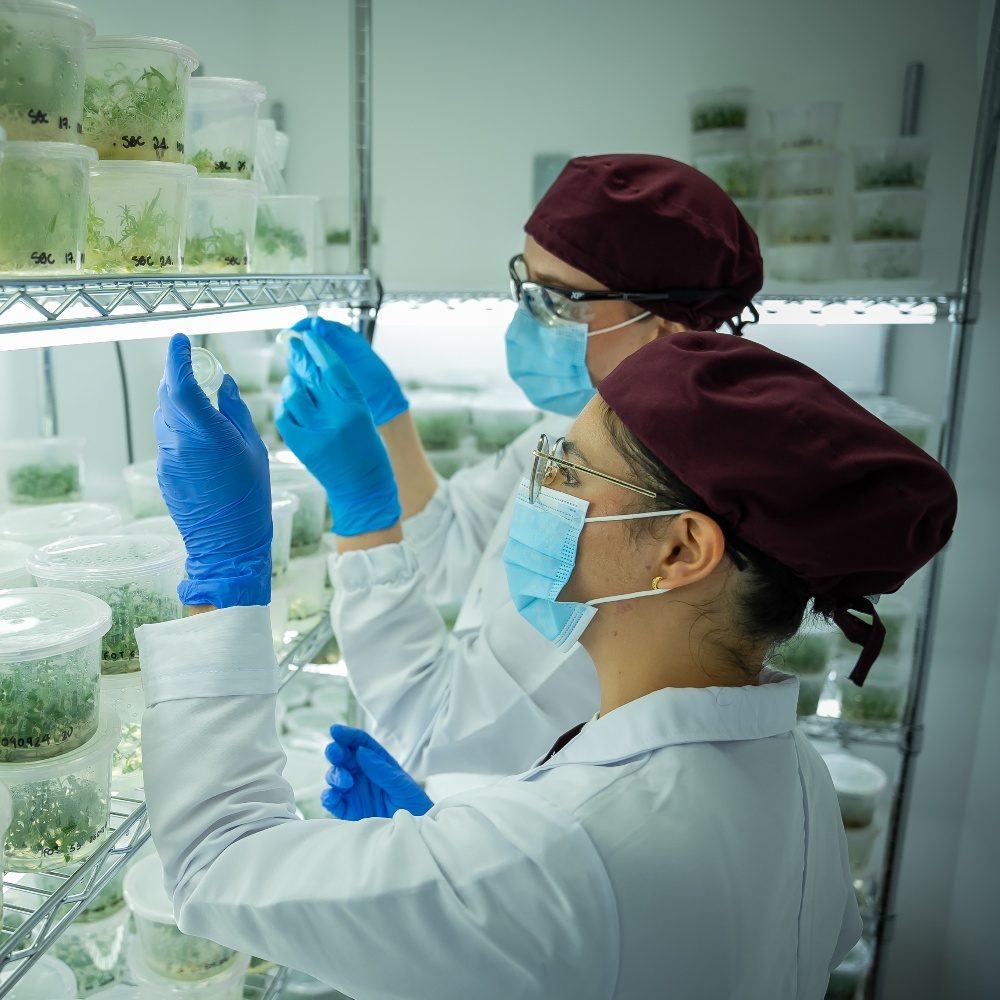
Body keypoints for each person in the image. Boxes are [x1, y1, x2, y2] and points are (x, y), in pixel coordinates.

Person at [140, 329, 956, 999]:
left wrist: (223, 578)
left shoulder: (556, 853)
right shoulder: (797, 776)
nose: (536, 484)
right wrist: (452, 827)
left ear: (677, 550)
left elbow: (216, 860)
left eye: (569, 469)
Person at [278, 153, 764, 778]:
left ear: (663, 330)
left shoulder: (638, 515)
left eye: (559, 300)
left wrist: (362, 509)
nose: (527, 317)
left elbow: (437, 732)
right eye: (524, 284)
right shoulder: (579, 428)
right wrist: (388, 419)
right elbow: (450, 549)